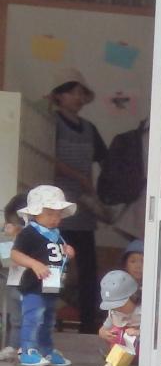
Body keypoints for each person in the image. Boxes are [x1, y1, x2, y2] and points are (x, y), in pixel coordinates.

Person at [47, 76, 107, 334]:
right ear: (59, 95)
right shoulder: (51, 123)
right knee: (52, 265)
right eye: (73, 92)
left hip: (82, 209)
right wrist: (80, 178)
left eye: (82, 94)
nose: (78, 98)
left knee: (88, 268)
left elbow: (104, 160)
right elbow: (48, 157)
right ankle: (47, 320)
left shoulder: (89, 128)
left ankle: (88, 323)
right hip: (55, 208)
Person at [11, 185, 79, 366]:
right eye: (49, 214)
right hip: (34, 286)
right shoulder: (29, 233)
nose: (55, 219)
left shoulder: (56, 235)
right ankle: (28, 350)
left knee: (48, 320)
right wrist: (34, 264)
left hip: (52, 286)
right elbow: (15, 254)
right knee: (33, 318)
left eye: (58, 215)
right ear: (35, 213)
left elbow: (56, 255)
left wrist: (68, 253)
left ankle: (46, 349)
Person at [97, 267, 141, 366]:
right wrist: (103, 333)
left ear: (133, 296)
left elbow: (154, 331)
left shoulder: (141, 311)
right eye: (113, 306)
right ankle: (115, 361)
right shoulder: (114, 312)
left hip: (140, 348)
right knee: (116, 331)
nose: (117, 309)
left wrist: (138, 332)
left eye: (120, 305)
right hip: (122, 349)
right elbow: (104, 328)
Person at [0, 192, 24, 365]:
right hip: (12, 279)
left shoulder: (37, 234)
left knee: (30, 318)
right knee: (15, 318)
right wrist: (8, 236)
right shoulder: (6, 235)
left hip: (31, 282)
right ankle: (13, 346)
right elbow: (7, 260)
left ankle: (27, 347)